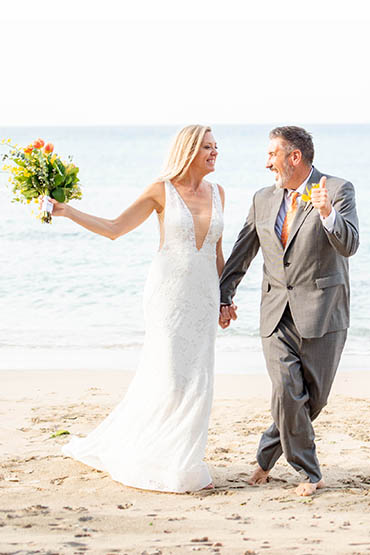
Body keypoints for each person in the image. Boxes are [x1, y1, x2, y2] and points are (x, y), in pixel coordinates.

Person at [52, 125, 225, 493]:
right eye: (207, 147)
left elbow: (218, 255)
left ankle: (185, 461)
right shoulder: (160, 191)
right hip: (168, 298)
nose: (214, 152)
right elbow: (114, 228)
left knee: (199, 381)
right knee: (171, 377)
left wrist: (225, 299)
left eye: (215, 147)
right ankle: (158, 457)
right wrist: (67, 211)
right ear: (189, 151)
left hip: (206, 298)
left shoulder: (219, 193)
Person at [219, 126, 359, 496]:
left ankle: (266, 456)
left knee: (311, 399)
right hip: (275, 311)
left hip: (324, 312)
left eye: (271, 155)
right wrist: (223, 295)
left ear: (293, 157)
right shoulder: (262, 199)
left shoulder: (339, 189)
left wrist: (328, 213)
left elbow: (350, 245)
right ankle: (310, 472)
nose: (266, 163)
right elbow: (242, 250)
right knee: (285, 389)